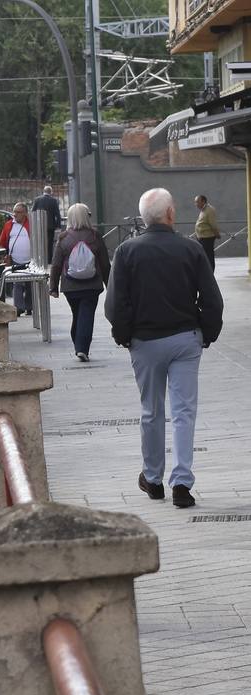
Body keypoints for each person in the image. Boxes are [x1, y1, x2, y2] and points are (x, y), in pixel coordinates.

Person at [107, 187, 223, 509]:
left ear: (144, 218)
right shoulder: (191, 249)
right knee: (184, 412)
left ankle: (153, 478)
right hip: (186, 339)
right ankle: (182, 484)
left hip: (145, 342)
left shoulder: (127, 252)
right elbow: (211, 298)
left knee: (151, 411)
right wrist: (207, 333)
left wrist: (124, 335)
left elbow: (116, 303)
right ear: (171, 214)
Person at [50, 203, 110, 363]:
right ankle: (82, 348)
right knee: (86, 315)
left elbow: (56, 264)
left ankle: (78, 345)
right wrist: (109, 284)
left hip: (70, 286)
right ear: (86, 217)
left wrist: (53, 287)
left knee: (77, 315)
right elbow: (105, 263)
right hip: (92, 285)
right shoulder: (95, 236)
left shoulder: (63, 238)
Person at [0, 202, 33, 315]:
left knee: (29, 284)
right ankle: (18, 307)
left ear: (25, 214)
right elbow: (2, 241)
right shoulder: (9, 225)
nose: (15, 214)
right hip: (15, 259)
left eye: (18, 212)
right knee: (17, 283)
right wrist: (1, 255)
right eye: (14, 212)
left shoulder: (31, 224)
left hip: (30, 260)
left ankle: (29, 306)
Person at [32, 185, 62, 253]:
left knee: (40, 242)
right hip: (50, 226)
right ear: (51, 192)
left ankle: (41, 257)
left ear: (43, 191)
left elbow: (33, 212)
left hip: (40, 225)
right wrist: (58, 226)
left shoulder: (37, 200)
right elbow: (57, 214)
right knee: (50, 243)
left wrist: (34, 224)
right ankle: (49, 259)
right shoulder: (54, 201)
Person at [193, 195, 219, 271]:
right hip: (201, 238)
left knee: (208, 257)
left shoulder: (209, 210)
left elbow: (213, 224)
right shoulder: (203, 210)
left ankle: (210, 273)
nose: (196, 204)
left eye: (197, 202)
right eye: (195, 202)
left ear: (203, 201)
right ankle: (206, 272)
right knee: (203, 257)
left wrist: (217, 234)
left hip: (207, 238)